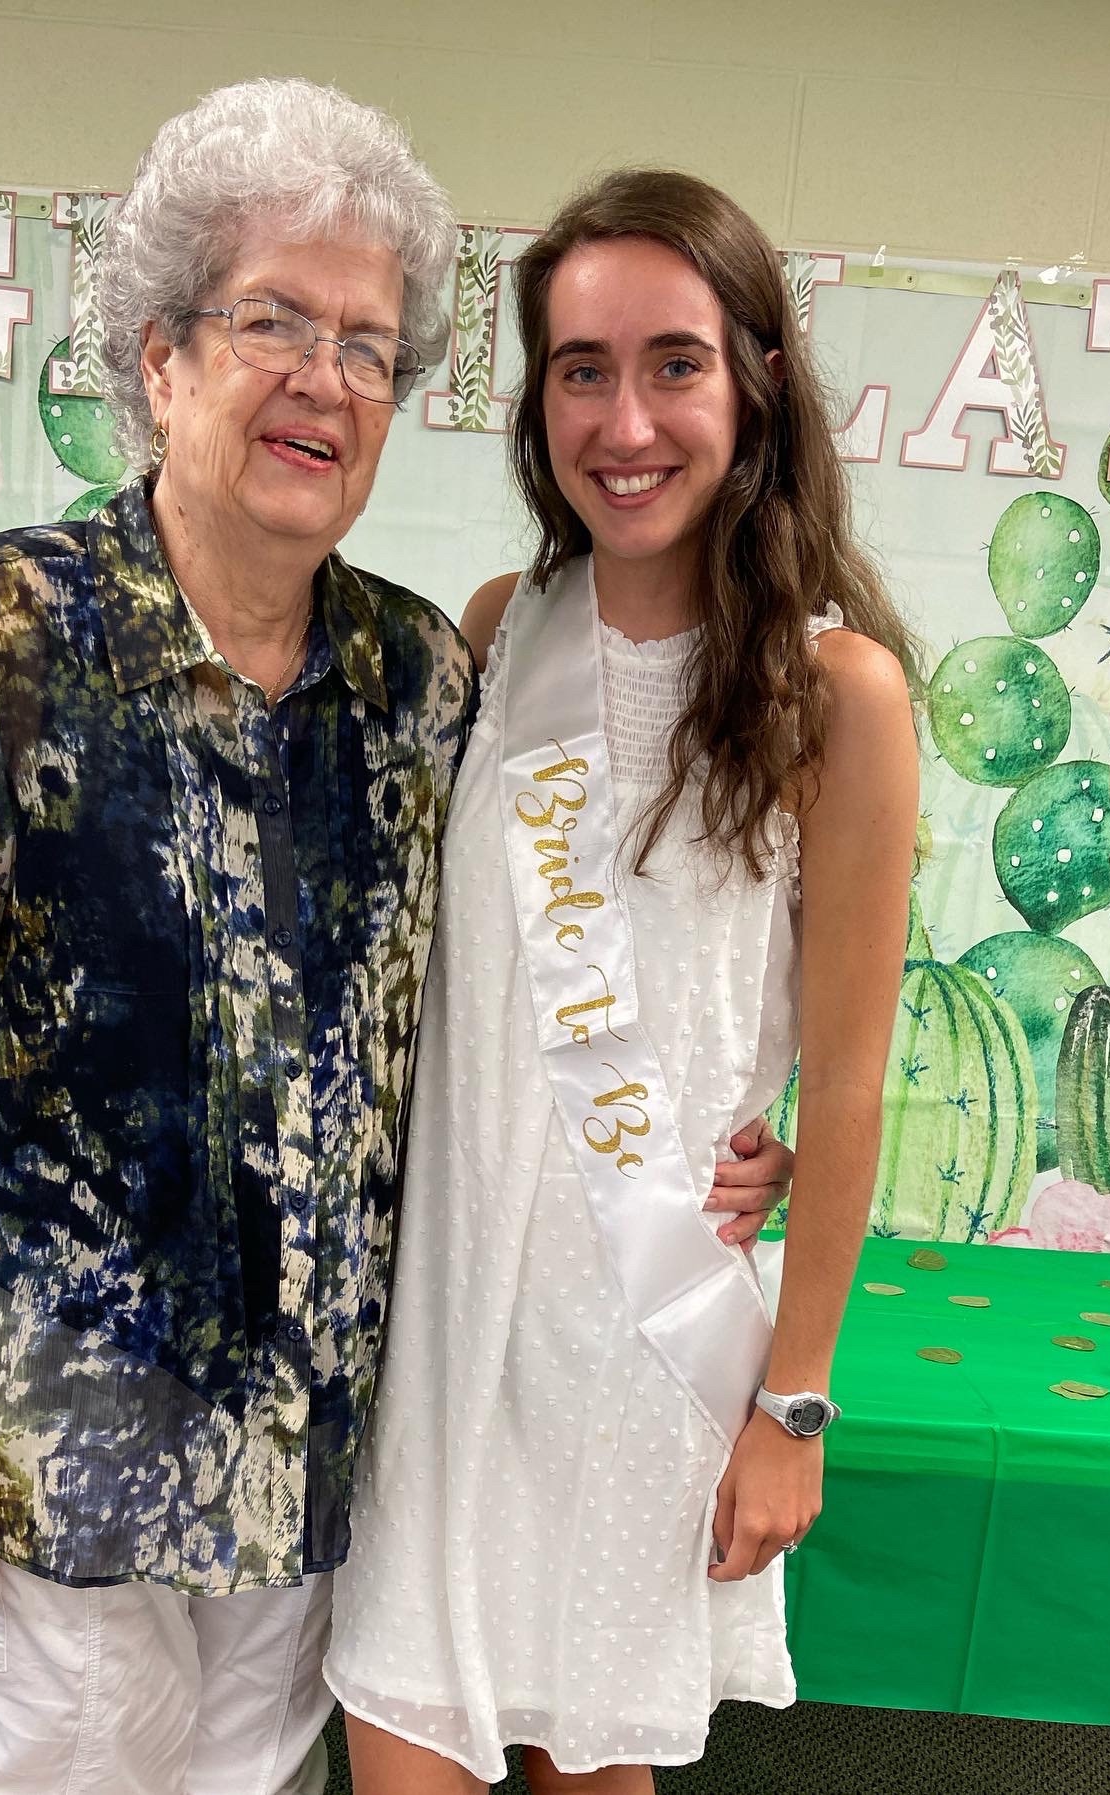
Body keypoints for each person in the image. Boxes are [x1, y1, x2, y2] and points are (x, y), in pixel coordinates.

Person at [0, 84, 794, 1795]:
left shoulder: (423, 681)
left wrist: (738, 1129)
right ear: (162, 356)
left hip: (319, 1475)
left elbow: (524, 993)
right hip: (65, 1474)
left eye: (369, 347)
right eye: (273, 322)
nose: (325, 380)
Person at [326, 169, 919, 1793]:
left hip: (642, 1350)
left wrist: (790, 1406)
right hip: (446, 1348)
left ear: (758, 381)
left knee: (592, 1772)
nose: (626, 420)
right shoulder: (498, 631)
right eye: (582, 369)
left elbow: (847, 1078)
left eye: (675, 363)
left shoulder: (838, 695)